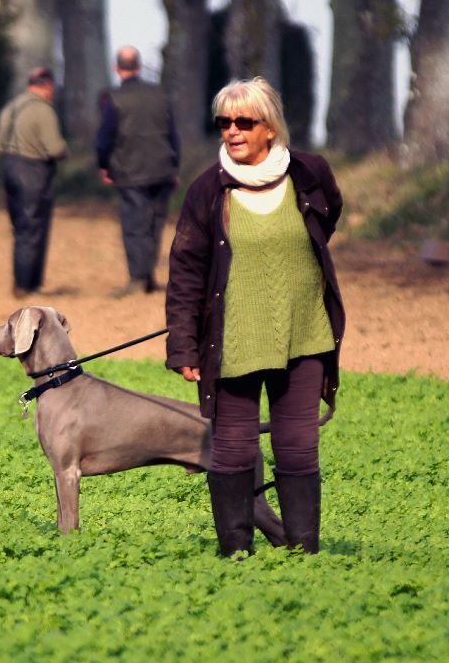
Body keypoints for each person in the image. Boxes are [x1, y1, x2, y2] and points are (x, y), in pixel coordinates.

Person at [165, 78, 345, 557]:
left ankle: (304, 551)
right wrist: (183, 346)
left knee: (297, 449)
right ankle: (236, 553)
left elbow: (328, 218)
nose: (232, 131)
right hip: (233, 342)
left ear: (270, 128)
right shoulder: (208, 190)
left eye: (244, 122)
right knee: (233, 451)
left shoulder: (309, 174)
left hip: (303, 335)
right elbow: (185, 271)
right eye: (224, 122)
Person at [95, 46, 180, 298]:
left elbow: (104, 139)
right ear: (139, 67)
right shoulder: (160, 95)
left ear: (116, 68)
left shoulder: (114, 98)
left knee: (135, 225)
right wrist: (175, 167)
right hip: (163, 168)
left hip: (131, 171)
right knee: (154, 224)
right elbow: (173, 134)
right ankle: (149, 277)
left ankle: (137, 279)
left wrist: (104, 166)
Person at [0, 67, 68, 298]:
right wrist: (65, 150)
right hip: (34, 173)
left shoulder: (11, 107)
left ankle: (22, 282)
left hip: (10, 170)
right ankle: (27, 286)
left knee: (20, 228)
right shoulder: (44, 110)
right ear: (47, 86)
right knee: (33, 229)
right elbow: (55, 148)